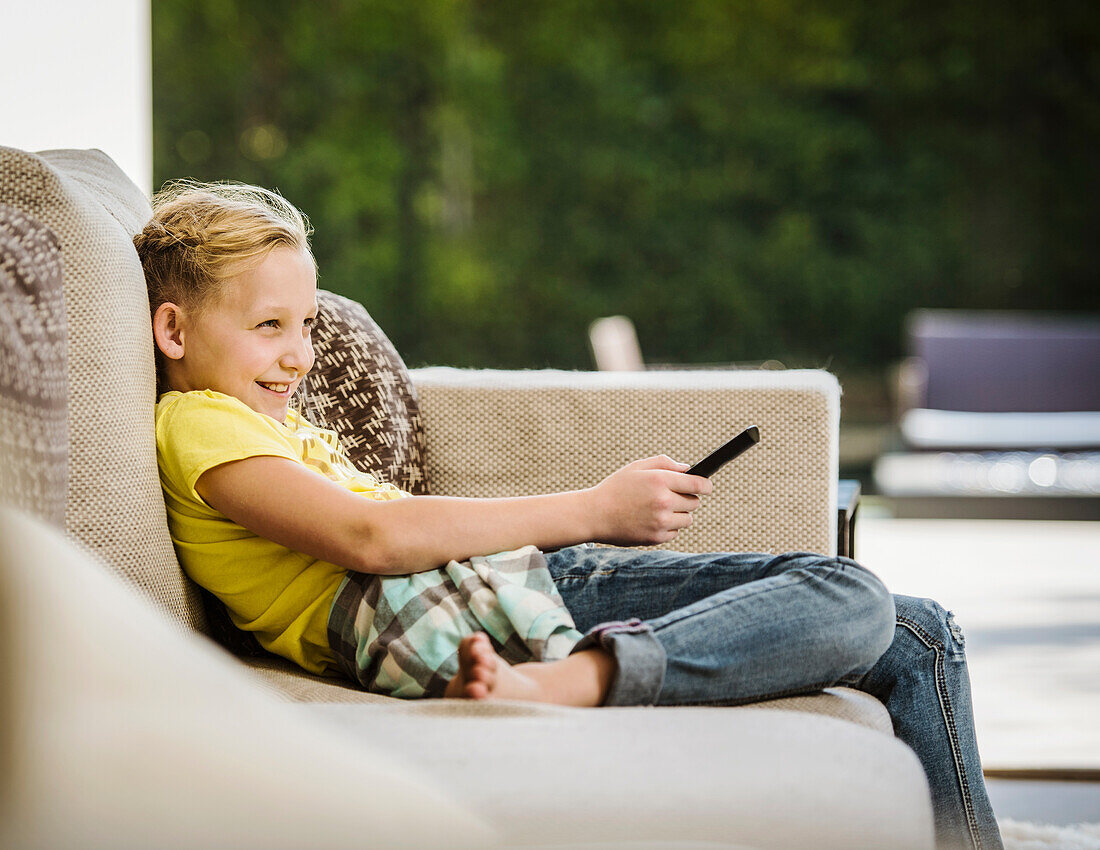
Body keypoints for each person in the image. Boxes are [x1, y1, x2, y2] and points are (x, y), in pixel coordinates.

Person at [137, 180, 1002, 849]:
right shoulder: (199, 422)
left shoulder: (252, 419)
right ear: (173, 331)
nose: (297, 354)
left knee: (918, 631)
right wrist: (591, 509)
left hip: (509, 587)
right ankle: (580, 682)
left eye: (306, 325)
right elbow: (371, 536)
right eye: (268, 325)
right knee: (851, 594)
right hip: (507, 595)